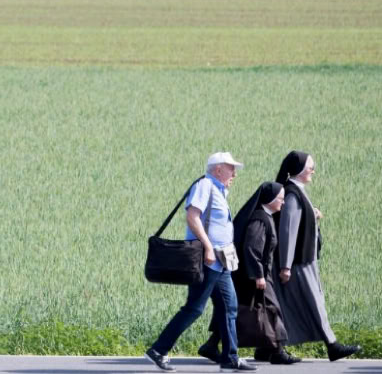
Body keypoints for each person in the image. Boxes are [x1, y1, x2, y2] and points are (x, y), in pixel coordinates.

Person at [146, 152, 257, 373]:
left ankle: (230, 358)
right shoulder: (205, 185)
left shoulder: (218, 190)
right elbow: (192, 216)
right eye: (231, 168)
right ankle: (158, 350)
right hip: (208, 260)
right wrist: (207, 246)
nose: (234, 174)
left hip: (221, 261)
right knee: (195, 308)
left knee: (229, 307)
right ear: (218, 169)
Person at [272, 151, 360, 362]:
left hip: (302, 260)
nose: (313, 170)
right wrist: (286, 266)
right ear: (299, 170)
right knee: (314, 303)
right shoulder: (292, 195)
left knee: (291, 305)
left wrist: (313, 213)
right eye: (310, 167)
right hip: (298, 262)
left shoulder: (296, 192)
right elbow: (288, 231)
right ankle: (332, 345)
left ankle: (269, 346)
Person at [200, 182, 298, 365]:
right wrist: (259, 276)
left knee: (237, 309)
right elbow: (252, 248)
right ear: (270, 199)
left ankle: (212, 345)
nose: (283, 202)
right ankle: (278, 351)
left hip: (248, 275)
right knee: (272, 308)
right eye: (280, 199)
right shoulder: (260, 219)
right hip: (254, 275)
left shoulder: (265, 216)